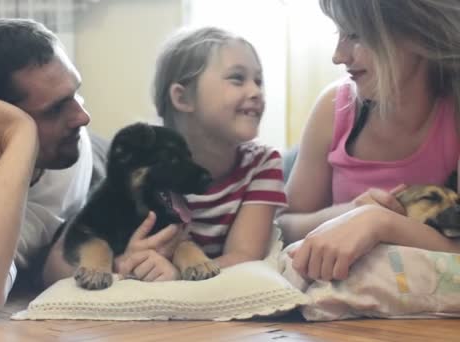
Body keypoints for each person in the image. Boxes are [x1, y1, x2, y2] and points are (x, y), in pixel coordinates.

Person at [0, 18, 178, 322]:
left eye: (75, 95)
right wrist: (20, 137)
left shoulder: (76, 146)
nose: (83, 117)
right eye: (55, 109)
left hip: (93, 165)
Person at [277, 0, 460, 282]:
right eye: (338, 33)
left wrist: (378, 222)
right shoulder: (333, 108)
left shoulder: (454, 114)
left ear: (417, 34)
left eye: (355, 34)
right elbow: (283, 226)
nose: (338, 56)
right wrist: (349, 212)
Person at [118, 26, 288, 279]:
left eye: (258, 81)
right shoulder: (143, 170)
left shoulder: (263, 163)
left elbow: (244, 257)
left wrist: (178, 273)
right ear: (183, 98)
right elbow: (117, 249)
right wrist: (129, 261)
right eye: (237, 78)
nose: (255, 92)